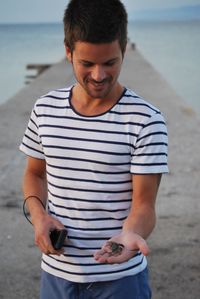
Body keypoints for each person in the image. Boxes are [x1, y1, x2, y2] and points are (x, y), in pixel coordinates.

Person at [20, 0, 168, 298]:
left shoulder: (146, 120)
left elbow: (144, 205)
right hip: (56, 275)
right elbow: (35, 174)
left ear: (124, 50)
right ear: (68, 51)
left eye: (110, 62)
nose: (99, 75)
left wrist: (131, 235)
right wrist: (39, 216)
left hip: (120, 280)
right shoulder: (45, 109)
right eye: (87, 63)